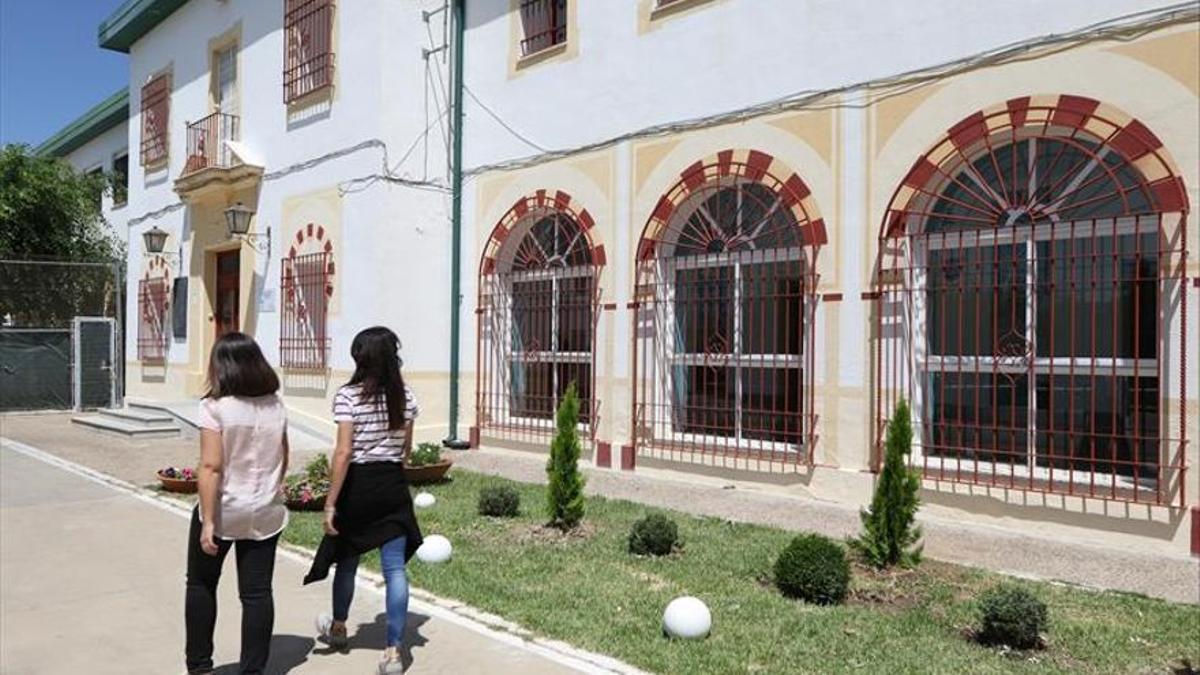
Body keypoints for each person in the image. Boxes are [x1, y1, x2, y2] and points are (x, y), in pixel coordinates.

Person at [305, 326, 423, 674]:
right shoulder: (407, 397)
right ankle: (393, 651)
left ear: (360, 358)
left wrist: (330, 502)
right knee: (394, 569)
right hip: (391, 485)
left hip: (359, 486)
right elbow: (405, 452)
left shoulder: (348, 396)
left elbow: (343, 452)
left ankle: (339, 628)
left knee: (347, 560)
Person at [186, 332, 289, 675]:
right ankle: (253, 670)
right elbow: (283, 456)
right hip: (264, 509)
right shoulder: (276, 405)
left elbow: (211, 466)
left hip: (223, 508)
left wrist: (209, 524)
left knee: (201, 584)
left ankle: (200, 666)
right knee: (257, 594)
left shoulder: (214, 407)